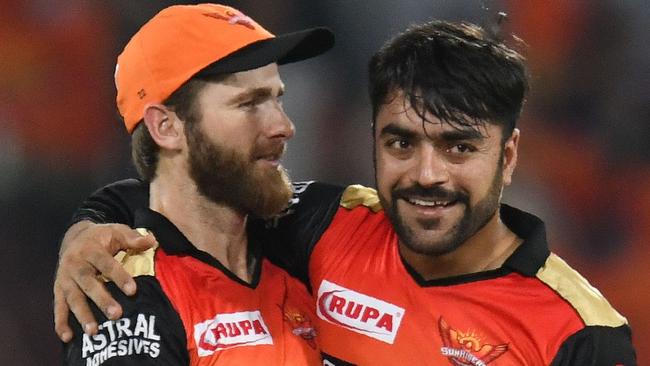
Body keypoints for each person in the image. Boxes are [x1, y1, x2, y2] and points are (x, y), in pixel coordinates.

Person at [55, 20, 637, 365]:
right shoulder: (327, 227)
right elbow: (182, 200)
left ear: (507, 155)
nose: (427, 175)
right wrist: (87, 228)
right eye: (402, 144)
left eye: (459, 148)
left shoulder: (581, 335)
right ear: (373, 140)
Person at [58, 3, 334, 365]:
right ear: (166, 127)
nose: (283, 126)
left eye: (276, 98)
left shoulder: (306, 247)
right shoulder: (128, 294)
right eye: (248, 103)